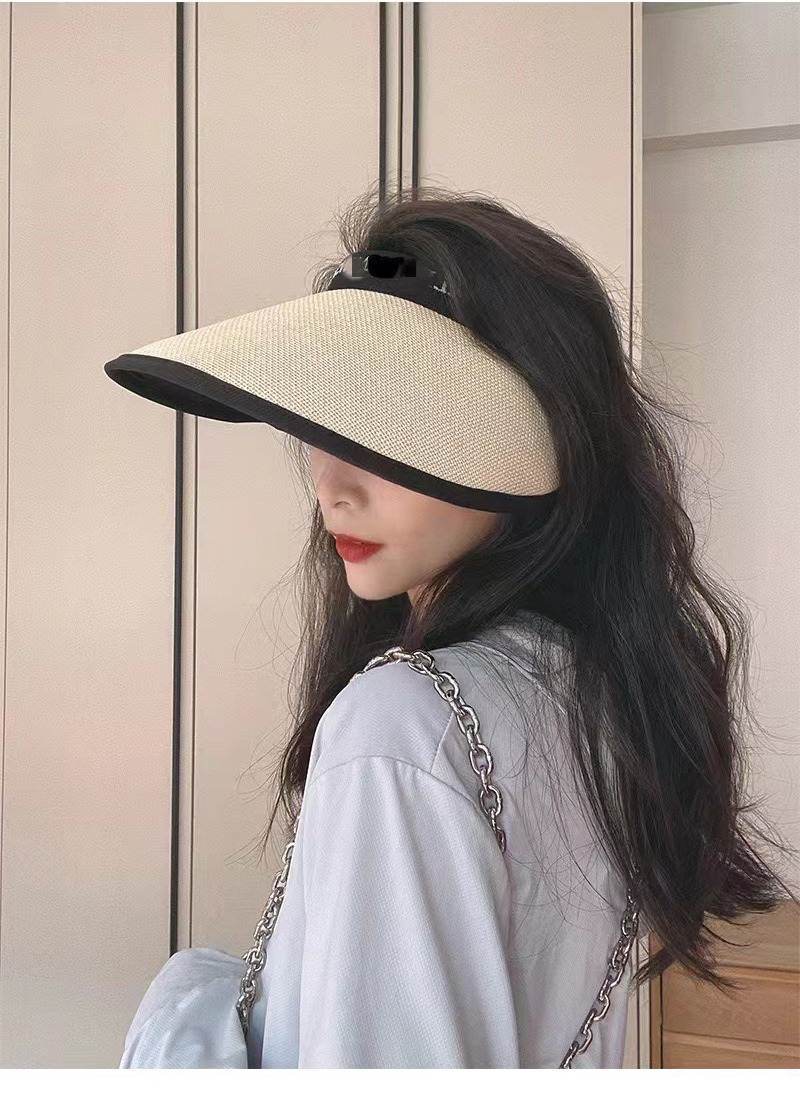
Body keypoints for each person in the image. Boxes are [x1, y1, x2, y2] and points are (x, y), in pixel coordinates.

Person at [106, 182, 798, 1069]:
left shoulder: (401, 728)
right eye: (324, 422)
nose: (332, 484)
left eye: (389, 428)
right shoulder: (599, 697)